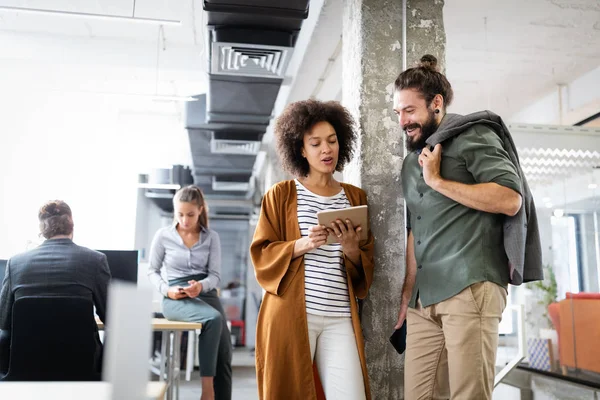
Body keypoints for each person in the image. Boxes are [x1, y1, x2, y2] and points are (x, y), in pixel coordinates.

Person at [393, 54, 543, 399]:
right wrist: (406, 295)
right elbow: (418, 227)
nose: (402, 121)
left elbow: (509, 199)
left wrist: (439, 182)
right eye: (398, 113)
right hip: (424, 298)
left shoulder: (474, 134)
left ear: (436, 104)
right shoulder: (411, 162)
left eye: (410, 111)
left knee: (468, 395)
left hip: (469, 287)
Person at [250, 99, 375, 400]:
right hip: (291, 315)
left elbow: (366, 263)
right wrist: (301, 244)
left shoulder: (355, 196)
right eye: (316, 143)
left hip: (340, 316)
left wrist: (351, 248)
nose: (326, 150)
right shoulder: (280, 195)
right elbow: (261, 254)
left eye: (332, 141)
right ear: (301, 150)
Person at [0, 200, 111, 375]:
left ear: (42, 229)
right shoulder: (95, 260)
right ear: (71, 223)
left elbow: (3, 320)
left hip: (26, 366)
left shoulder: (16, 263)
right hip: (81, 366)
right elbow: (111, 316)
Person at [147, 185, 232, 400]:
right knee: (213, 319)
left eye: (190, 215)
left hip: (206, 293)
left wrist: (201, 286)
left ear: (201, 210)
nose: (185, 220)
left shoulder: (211, 237)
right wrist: (167, 290)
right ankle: (207, 392)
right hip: (175, 296)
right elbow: (152, 271)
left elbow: (215, 275)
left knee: (224, 354)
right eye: (180, 214)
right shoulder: (163, 236)